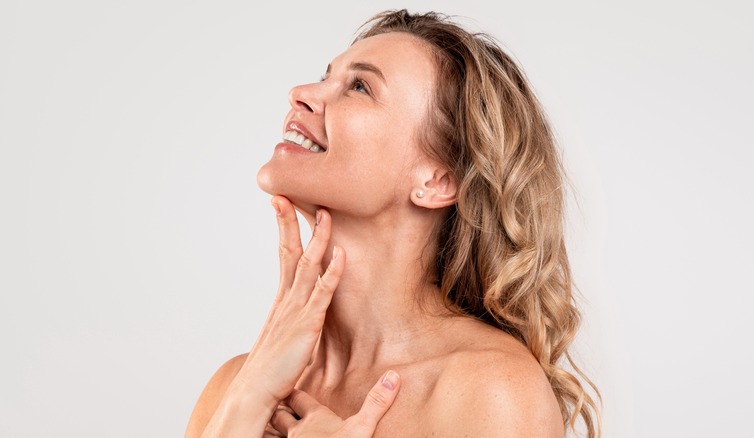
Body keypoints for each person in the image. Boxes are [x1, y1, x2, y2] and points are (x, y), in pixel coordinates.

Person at [185, 9, 601, 438]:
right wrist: (248, 399)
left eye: (359, 86)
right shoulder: (234, 385)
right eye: (325, 76)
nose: (300, 93)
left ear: (438, 180)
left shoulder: (492, 391)